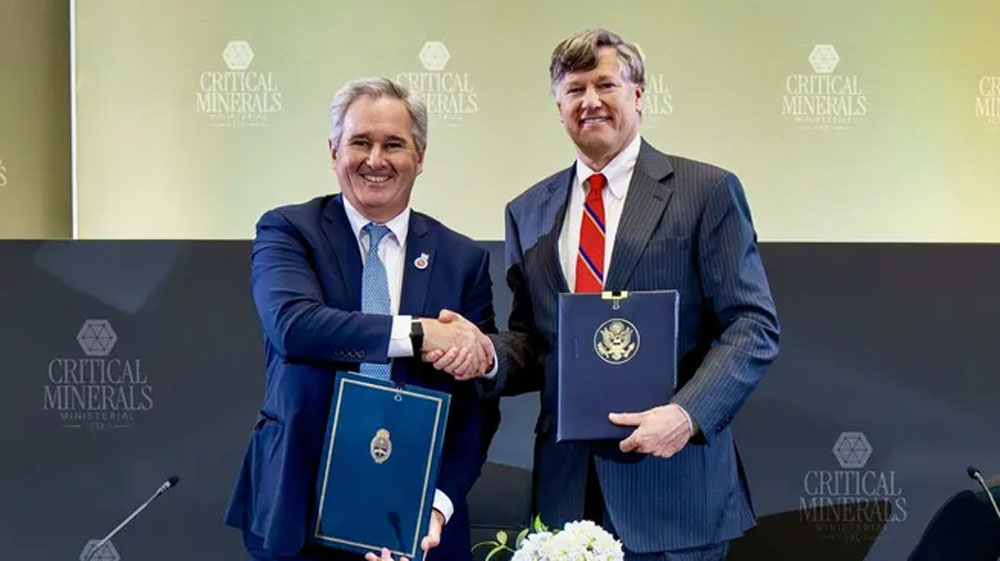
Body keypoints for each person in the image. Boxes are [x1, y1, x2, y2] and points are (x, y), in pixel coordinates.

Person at [426, 29, 780, 560]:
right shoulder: (528, 210)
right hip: (566, 493)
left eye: (605, 84)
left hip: (673, 491)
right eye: (574, 90)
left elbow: (753, 325)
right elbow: (535, 341)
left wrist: (685, 416)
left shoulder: (705, 191)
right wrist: (484, 353)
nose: (589, 101)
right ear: (559, 107)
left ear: (638, 95)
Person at [225, 76, 499, 561]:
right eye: (360, 142)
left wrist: (435, 506)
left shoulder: (463, 261)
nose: (375, 160)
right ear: (334, 151)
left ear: (420, 156)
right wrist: (420, 333)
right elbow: (294, 327)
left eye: (393, 144)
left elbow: (475, 406)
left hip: (417, 520)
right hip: (300, 505)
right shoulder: (289, 230)